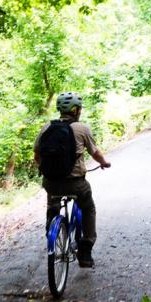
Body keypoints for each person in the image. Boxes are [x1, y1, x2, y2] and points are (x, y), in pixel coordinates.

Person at [34, 91, 112, 267]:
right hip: (76, 185)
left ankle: (51, 225)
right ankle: (86, 249)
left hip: (51, 183)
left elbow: (37, 155)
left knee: (52, 198)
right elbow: (95, 153)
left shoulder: (47, 128)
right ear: (76, 110)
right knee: (88, 207)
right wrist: (104, 162)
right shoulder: (82, 128)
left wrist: (45, 170)